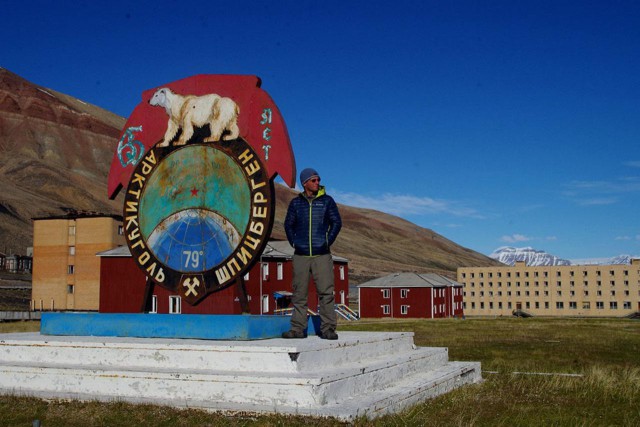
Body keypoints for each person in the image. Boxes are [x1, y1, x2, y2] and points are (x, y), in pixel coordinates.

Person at [282, 168, 342, 340]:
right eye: (314, 180)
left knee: (326, 293)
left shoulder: (327, 201)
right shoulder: (296, 203)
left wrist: (326, 241)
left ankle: (328, 329)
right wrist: (294, 242)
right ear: (305, 183)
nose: (317, 183)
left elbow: (336, 223)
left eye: (318, 180)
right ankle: (298, 329)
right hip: (301, 255)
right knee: (299, 294)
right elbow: (288, 224)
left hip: (321, 255)